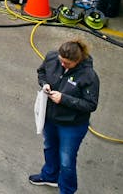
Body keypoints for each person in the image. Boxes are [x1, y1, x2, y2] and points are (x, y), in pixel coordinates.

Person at [31, 39, 100, 192]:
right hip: (50, 118)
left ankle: (67, 190)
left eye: (67, 64)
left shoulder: (89, 76)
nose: (63, 65)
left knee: (67, 161)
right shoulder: (52, 57)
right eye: (61, 61)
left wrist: (64, 99)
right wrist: (44, 84)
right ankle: (50, 176)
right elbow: (41, 72)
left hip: (72, 125)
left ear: (78, 60)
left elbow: (90, 104)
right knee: (49, 147)